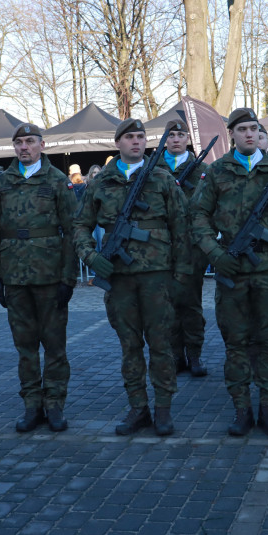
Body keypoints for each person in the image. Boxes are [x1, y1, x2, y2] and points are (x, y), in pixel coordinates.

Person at [73, 118, 190, 437]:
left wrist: (180, 274)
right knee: (130, 346)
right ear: (118, 143)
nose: (136, 142)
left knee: (161, 344)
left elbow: (182, 227)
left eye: (141, 137)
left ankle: (163, 408)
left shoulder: (162, 178)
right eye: (129, 137)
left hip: (156, 278)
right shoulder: (101, 181)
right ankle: (138, 407)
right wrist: (91, 255)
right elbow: (80, 224)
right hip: (119, 278)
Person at [191, 107, 268, 437]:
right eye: (243, 130)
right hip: (233, 272)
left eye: (254, 128)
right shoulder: (217, 172)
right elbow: (198, 217)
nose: (250, 134)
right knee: (236, 343)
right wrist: (215, 253)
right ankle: (242, 409)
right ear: (232, 135)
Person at [0, 124, 77, 432]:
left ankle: (54, 405)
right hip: (15, 278)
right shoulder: (3, 183)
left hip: (50, 276)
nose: (24, 147)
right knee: (24, 347)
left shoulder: (56, 180)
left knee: (54, 346)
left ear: (41, 144)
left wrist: (69, 278)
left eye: (30, 142)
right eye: (19, 142)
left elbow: (72, 232)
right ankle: (31, 405)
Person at [159, 119, 209, 377]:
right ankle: (175, 355)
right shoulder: (153, 167)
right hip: (161, 248)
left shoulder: (202, 169)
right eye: (171, 135)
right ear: (165, 139)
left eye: (180, 135)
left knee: (190, 303)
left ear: (188, 139)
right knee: (167, 305)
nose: (176, 139)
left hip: (191, 247)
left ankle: (195, 354)